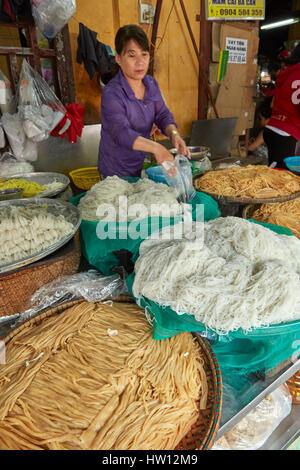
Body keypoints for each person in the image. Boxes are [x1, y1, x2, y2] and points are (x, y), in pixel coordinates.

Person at [97, 24, 190, 178]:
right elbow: (120, 133)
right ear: (119, 59)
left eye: (144, 54)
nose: (140, 62)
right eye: (132, 55)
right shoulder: (112, 93)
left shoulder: (150, 83)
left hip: (137, 164)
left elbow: (162, 114)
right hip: (114, 172)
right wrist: (157, 148)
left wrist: (174, 135)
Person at [261, 44, 300, 168]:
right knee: (281, 180)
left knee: (276, 175)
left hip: (273, 127)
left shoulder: (289, 72)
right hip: (287, 134)